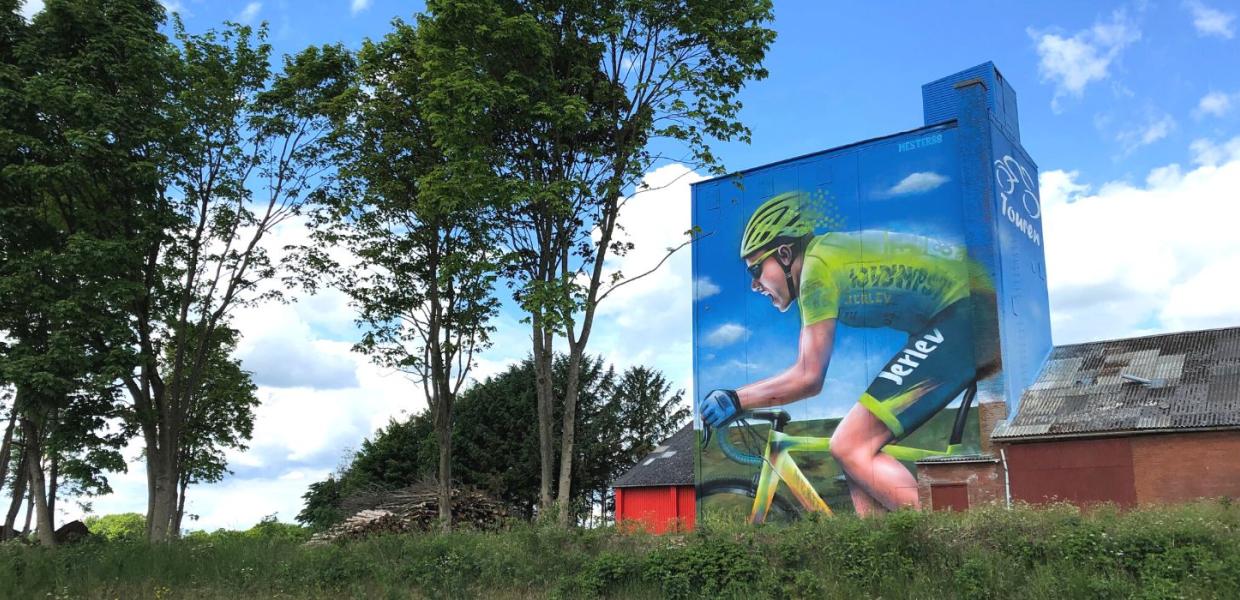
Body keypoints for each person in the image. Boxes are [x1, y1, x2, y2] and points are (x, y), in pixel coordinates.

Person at [700, 191, 999, 515]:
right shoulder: (824, 257)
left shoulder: (816, 273)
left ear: (785, 254)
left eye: (755, 270)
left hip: (968, 312)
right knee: (857, 458)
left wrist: (737, 399)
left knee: (849, 444)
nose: (754, 285)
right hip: (962, 308)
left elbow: (808, 376)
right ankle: (887, 554)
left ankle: (946, 539)